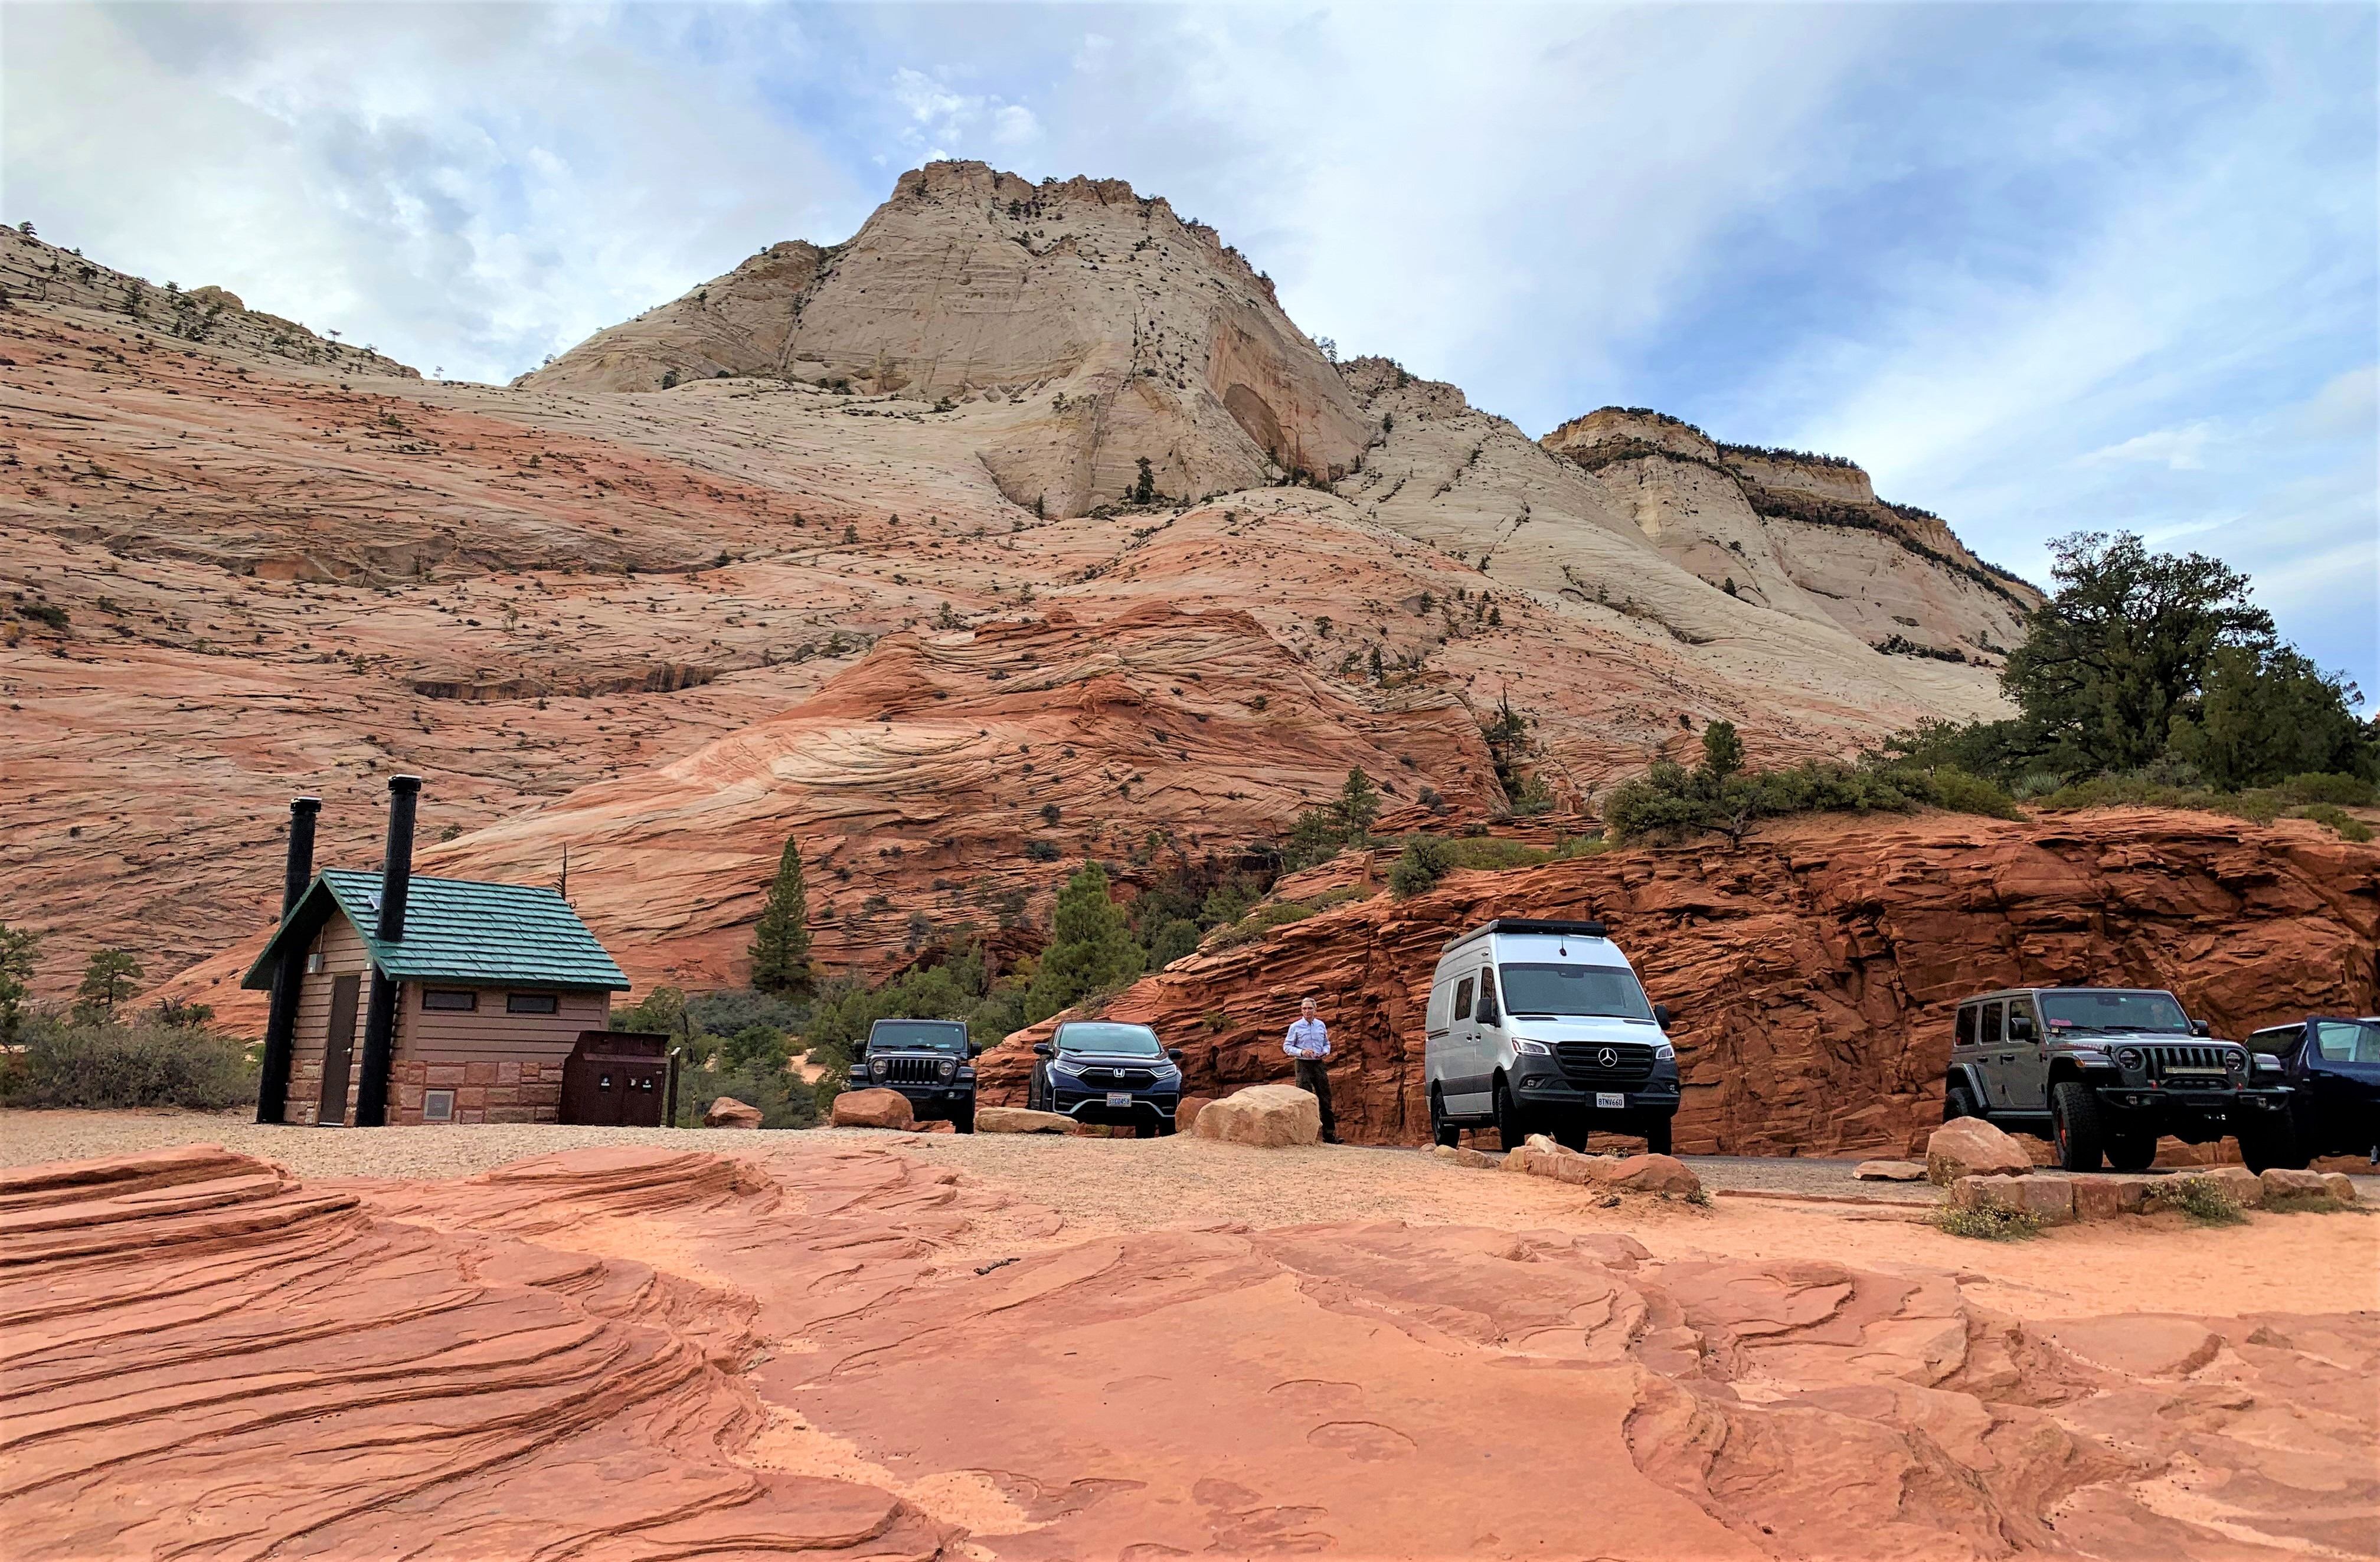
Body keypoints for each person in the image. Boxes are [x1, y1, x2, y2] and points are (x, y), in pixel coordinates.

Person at [1282, 997, 1339, 1143]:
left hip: (1319, 1064)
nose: (1307, 1011)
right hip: (1302, 1065)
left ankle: (1329, 1135)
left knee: (1325, 1099)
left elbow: (1327, 1043)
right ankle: (1305, 1137)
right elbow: (1287, 1047)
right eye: (1304, 1009)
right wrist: (1302, 1052)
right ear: (1301, 1011)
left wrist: (1325, 1051)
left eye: (1310, 1008)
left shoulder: (1320, 1025)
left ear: (1315, 1009)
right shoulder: (1295, 1027)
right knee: (1304, 1100)